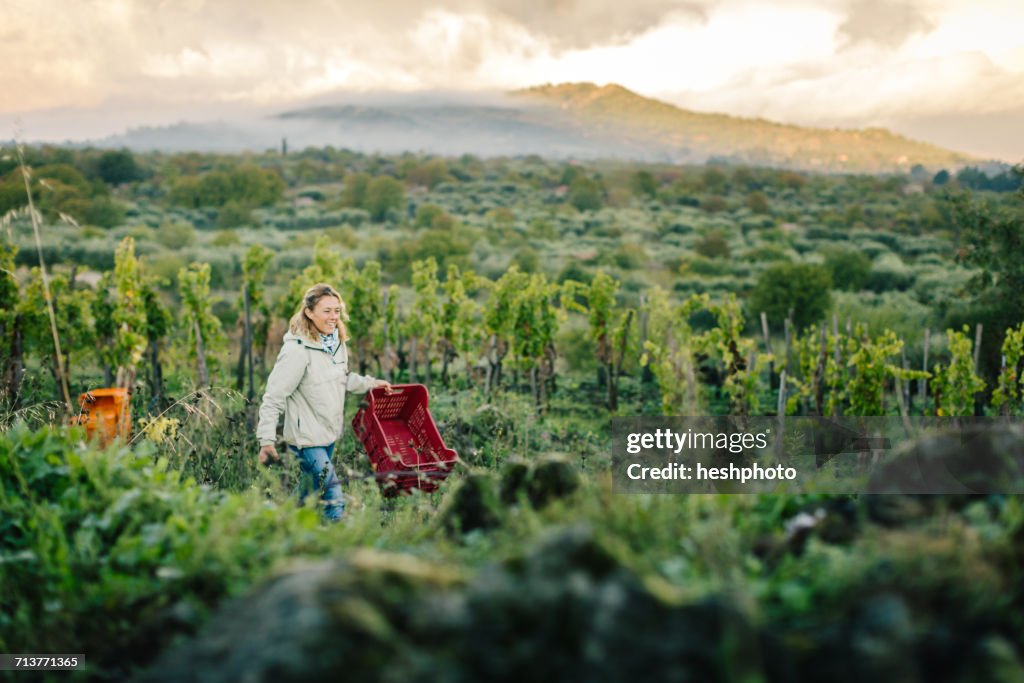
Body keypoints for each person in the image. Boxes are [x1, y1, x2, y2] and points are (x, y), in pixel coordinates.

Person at [256, 283, 391, 522]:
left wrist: (371, 384)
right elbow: (274, 395)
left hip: (327, 432)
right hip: (305, 437)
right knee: (332, 489)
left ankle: (278, 524)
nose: (333, 317)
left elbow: (343, 378)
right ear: (309, 312)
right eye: (327, 311)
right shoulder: (297, 351)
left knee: (308, 489)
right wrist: (266, 439)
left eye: (337, 311)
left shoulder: (336, 343)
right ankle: (336, 538)